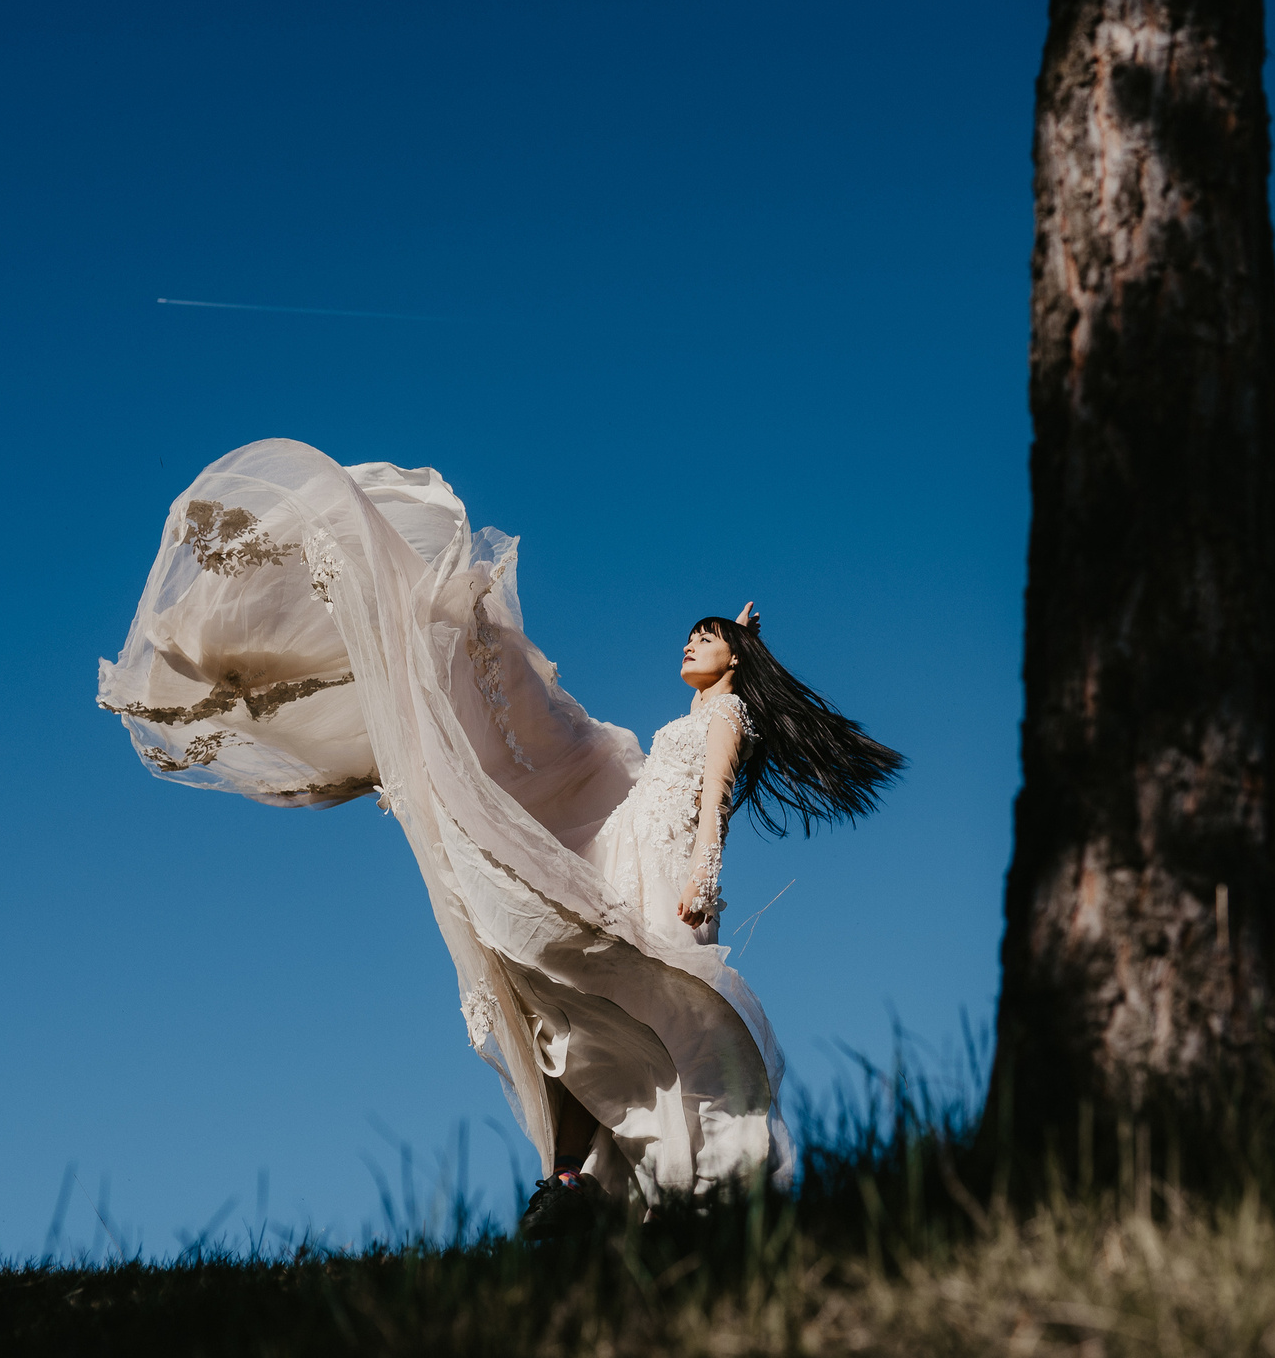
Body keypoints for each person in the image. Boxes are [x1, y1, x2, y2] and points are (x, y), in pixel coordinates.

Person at [96, 439, 902, 1223]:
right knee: (588, 1000)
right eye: (694, 632)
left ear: (734, 662)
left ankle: (660, 1182)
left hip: (665, 866)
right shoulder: (685, 715)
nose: (690, 641)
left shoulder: (726, 712)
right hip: (629, 849)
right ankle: (584, 1181)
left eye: (708, 636)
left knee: (642, 1002)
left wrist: (703, 876)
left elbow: (716, 798)